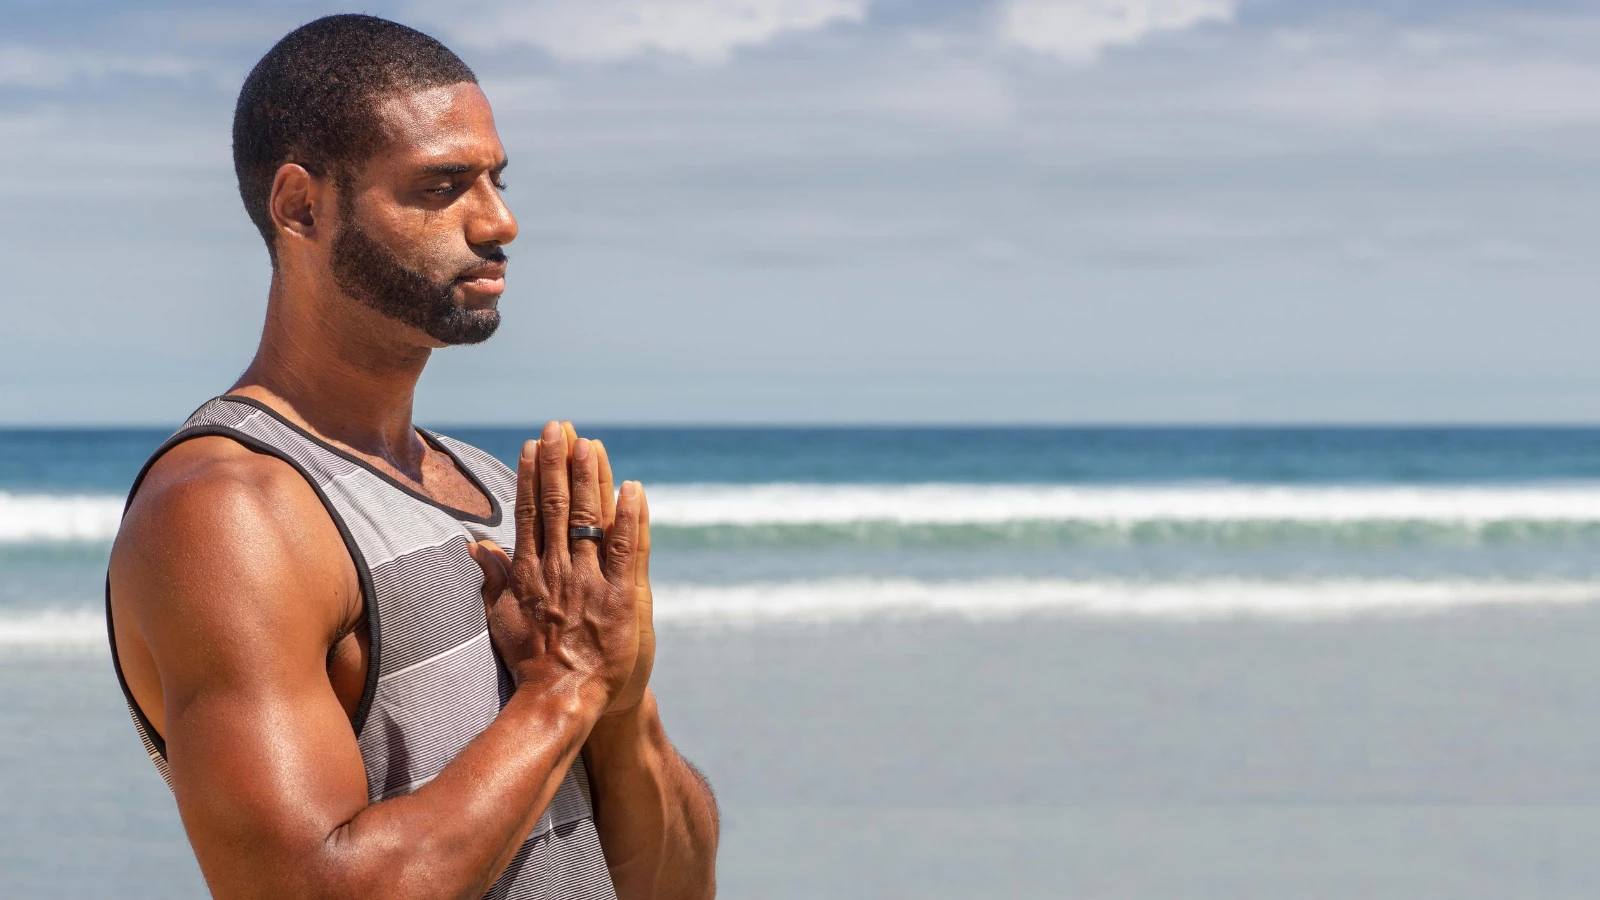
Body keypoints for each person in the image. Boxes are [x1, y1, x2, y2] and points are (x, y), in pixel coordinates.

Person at [104, 14, 718, 899]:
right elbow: (309, 891)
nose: (499, 221)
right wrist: (564, 691)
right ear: (301, 206)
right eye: (442, 185)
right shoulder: (227, 512)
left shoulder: (502, 492)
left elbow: (679, 887)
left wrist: (619, 706)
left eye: (497, 181)